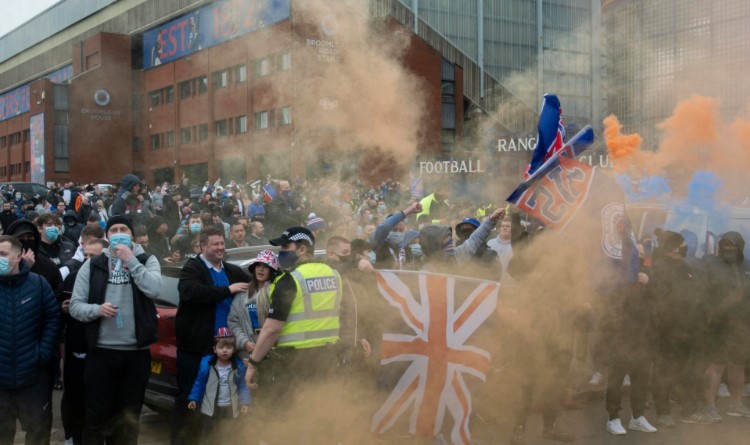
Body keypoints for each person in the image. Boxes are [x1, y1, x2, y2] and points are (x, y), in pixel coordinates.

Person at [69, 215, 162, 444]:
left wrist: (131, 261)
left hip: (135, 353)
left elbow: (154, 289)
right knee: (96, 420)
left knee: (128, 422)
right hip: (101, 353)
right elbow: (75, 306)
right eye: (113, 230)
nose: (119, 233)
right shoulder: (94, 264)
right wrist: (97, 310)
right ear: (107, 236)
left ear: (131, 234)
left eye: (124, 229)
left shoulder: (146, 259)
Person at [244, 227, 343, 440]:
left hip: (294, 364)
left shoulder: (290, 281)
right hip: (327, 360)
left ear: (302, 249)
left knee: (285, 422)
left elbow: (272, 329)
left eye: (285, 247)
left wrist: (253, 364)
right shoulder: (334, 275)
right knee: (320, 421)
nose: (281, 252)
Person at [172, 226, 249, 445]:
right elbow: (191, 293)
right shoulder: (192, 268)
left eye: (222, 243)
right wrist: (228, 290)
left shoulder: (232, 270)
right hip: (197, 349)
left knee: (222, 404)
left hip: (226, 350)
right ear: (202, 246)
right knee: (189, 400)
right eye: (215, 244)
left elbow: (256, 287)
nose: (220, 247)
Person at [0, 235, 60, 445]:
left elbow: (52, 318)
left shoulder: (38, 284)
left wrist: (42, 352)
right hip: (1, 379)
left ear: (18, 256)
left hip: (33, 377)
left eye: (3, 254)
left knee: (37, 433)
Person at [59, 238, 108, 445]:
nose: (87, 261)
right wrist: (63, 310)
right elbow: (58, 314)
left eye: (93, 256)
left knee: (98, 403)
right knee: (73, 399)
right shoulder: (71, 278)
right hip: (74, 351)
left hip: (100, 351)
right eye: (85, 255)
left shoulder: (111, 280)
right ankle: (72, 437)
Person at [701, 231, 750, 419]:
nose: (728, 248)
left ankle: (736, 404)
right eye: (725, 245)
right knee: (716, 364)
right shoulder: (710, 265)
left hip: (742, 325)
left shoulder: (747, 266)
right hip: (718, 324)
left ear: (740, 247)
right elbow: (701, 293)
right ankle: (709, 406)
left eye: (732, 245)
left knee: (737, 365)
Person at [187, 328, 250, 443]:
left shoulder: (238, 366)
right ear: (215, 349)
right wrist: (193, 399)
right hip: (210, 410)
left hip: (230, 409)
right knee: (208, 436)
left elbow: (242, 386)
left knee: (228, 436)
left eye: (228, 348)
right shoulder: (207, 365)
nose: (225, 351)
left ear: (234, 350)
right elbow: (199, 383)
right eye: (221, 348)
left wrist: (245, 402)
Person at [228, 250, 280, 359]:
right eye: (258, 265)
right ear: (254, 268)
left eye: (265, 266)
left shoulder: (277, 293)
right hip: (247, 353)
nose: (261, 269)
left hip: (273, 352)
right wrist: (244, 343)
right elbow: (233, 321)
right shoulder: (243, 294)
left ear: (271, 271)